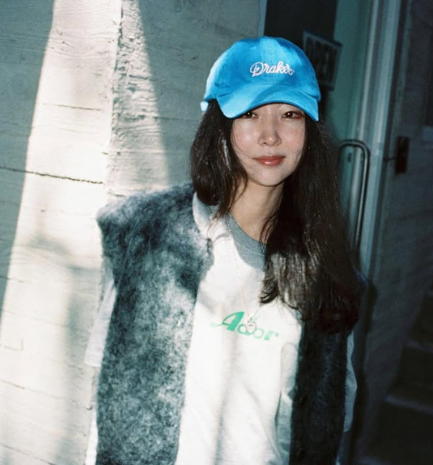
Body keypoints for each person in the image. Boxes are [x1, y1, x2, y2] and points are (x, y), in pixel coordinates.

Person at [86, 36, 362, 465]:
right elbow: (106, 386)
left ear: (310, 130)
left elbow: (326, 421)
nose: (270, 135)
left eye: (290, 113)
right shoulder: (148, 234)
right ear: (218, 125)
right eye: (250, 113)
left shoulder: (325, 270)